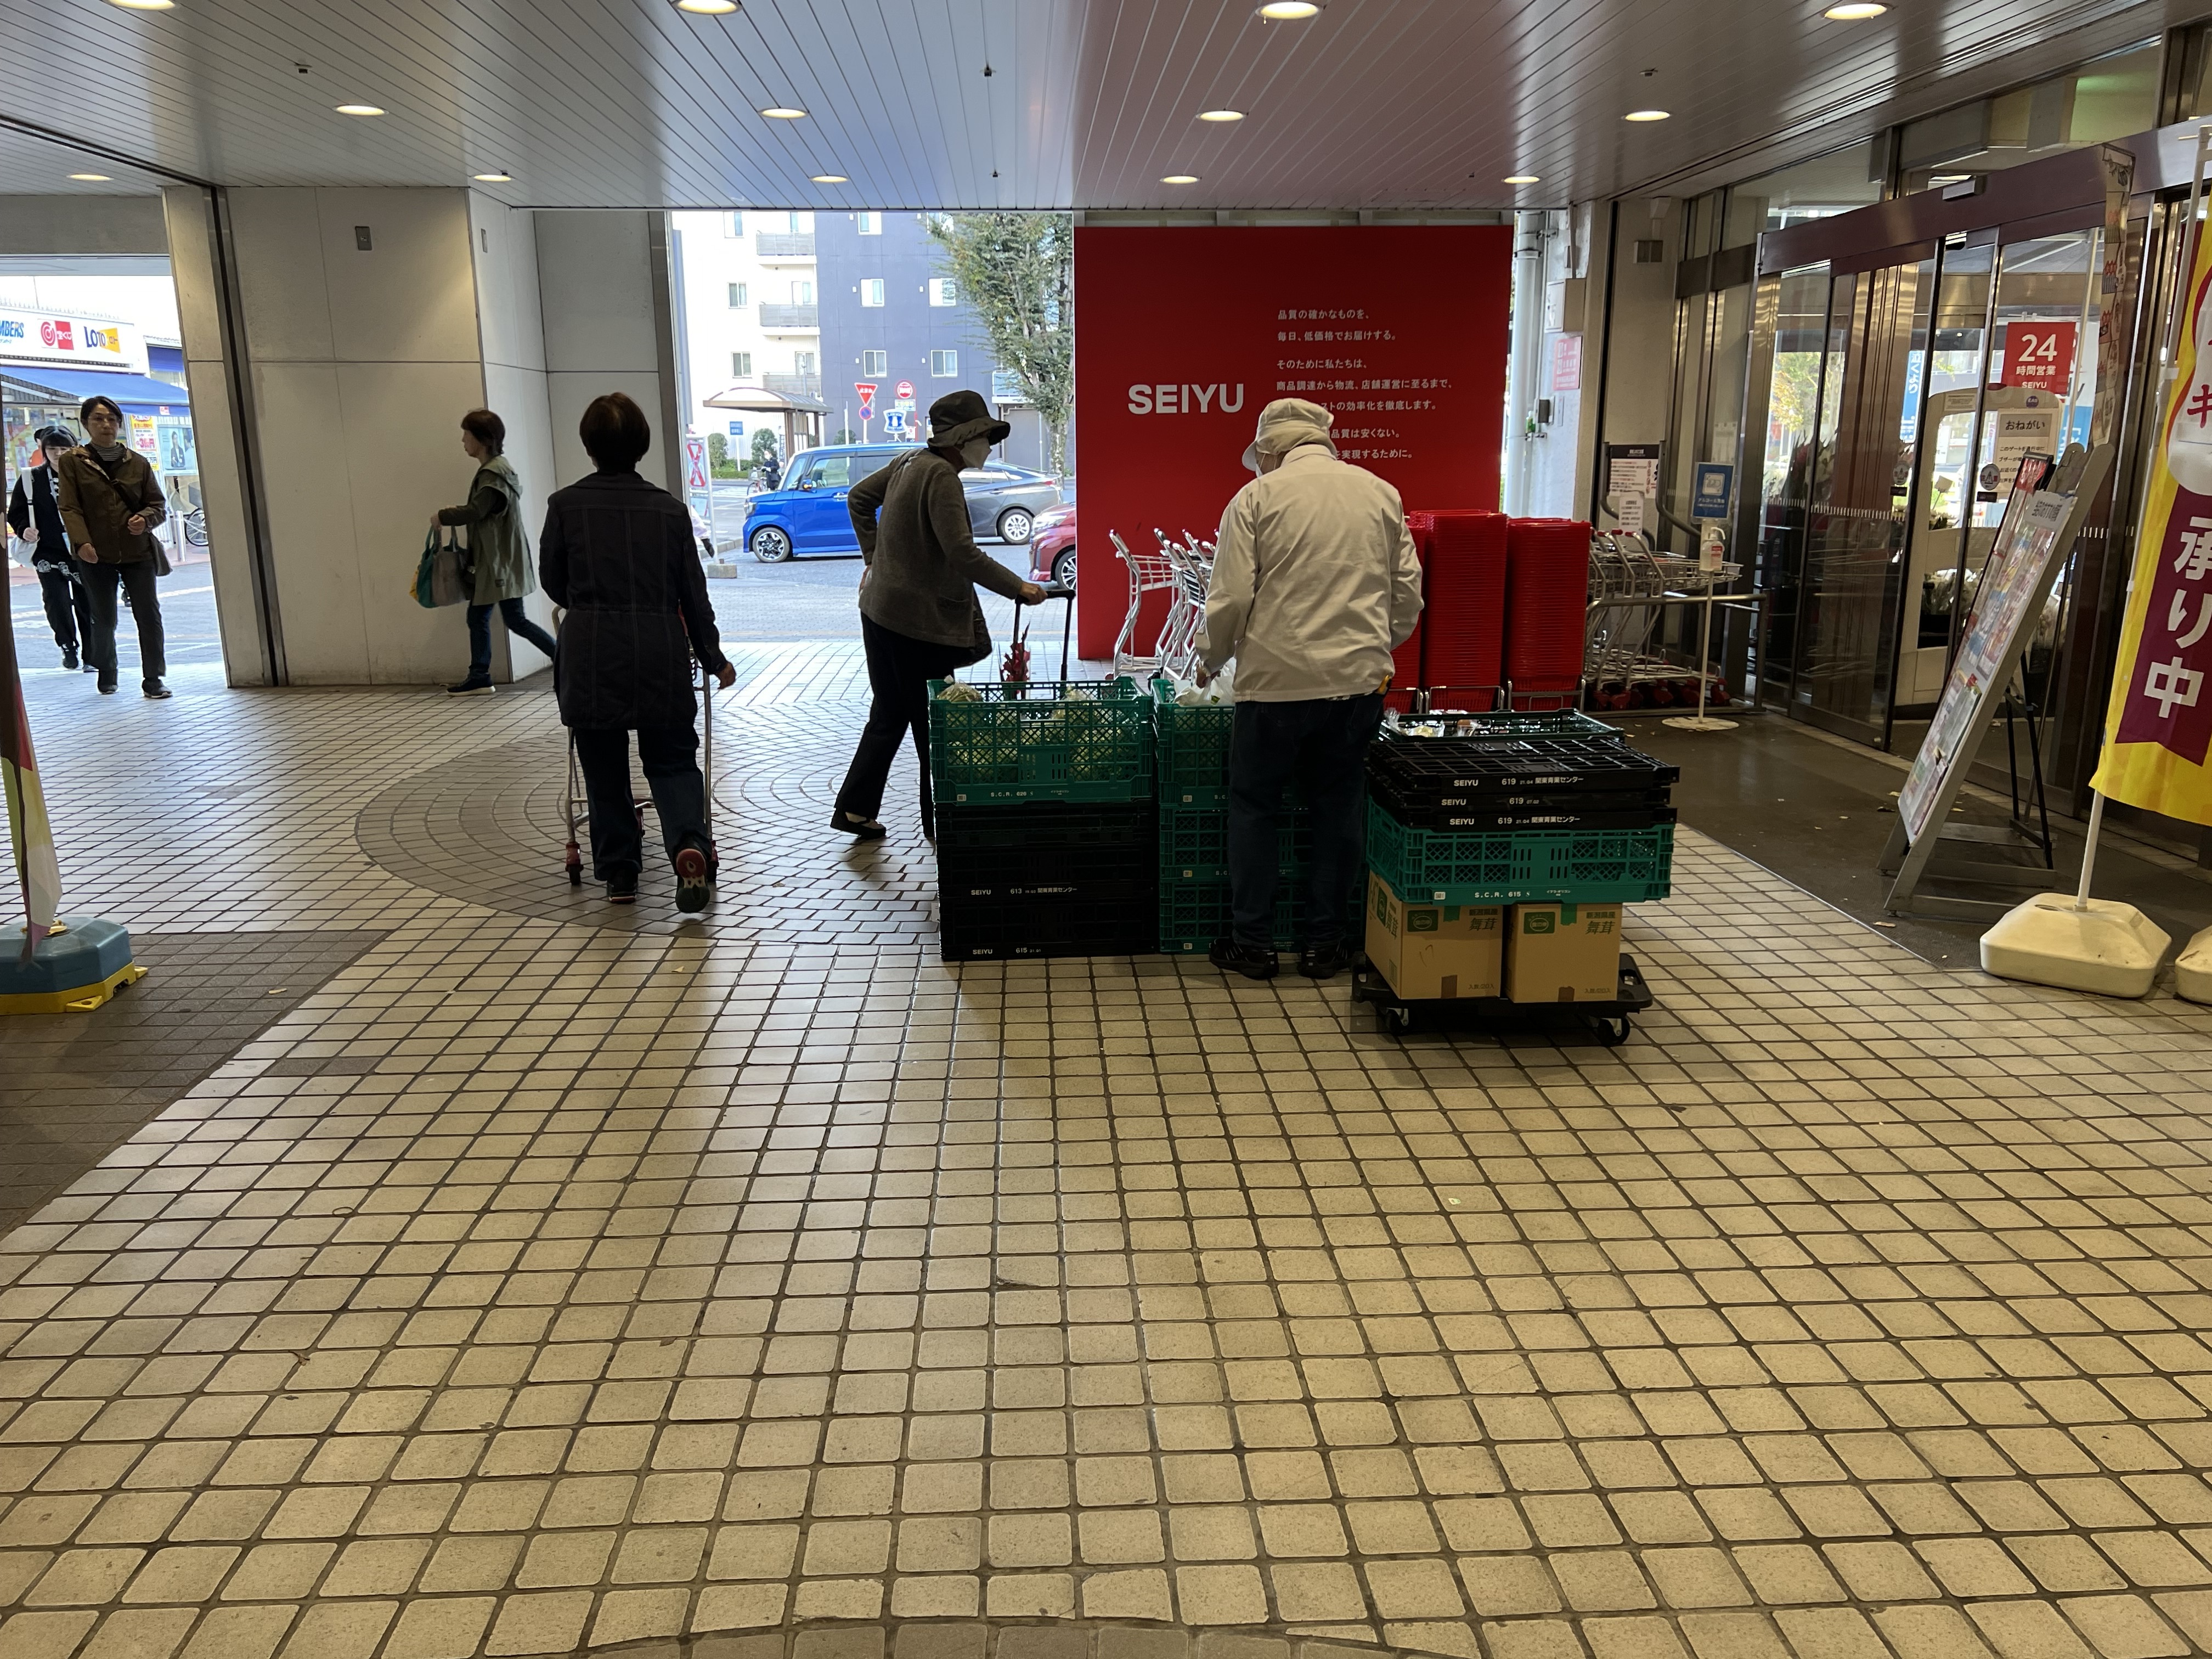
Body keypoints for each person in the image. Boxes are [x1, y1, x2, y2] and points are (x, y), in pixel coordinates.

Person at [1198, 398, 1422, 983]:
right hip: (1357, 685)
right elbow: (1407, 595)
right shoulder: (1381, 493)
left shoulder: (1256, 498)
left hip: (1274, 685)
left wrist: (1210, 658)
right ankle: (1326, 946)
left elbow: (1231, 598)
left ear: (1270, 449)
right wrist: (1372, 647)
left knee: (1255, 807)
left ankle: (1254, 944)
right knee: (1338, 805)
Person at [541, 392, 736, 911]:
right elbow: (693, 596)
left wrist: (590, 606)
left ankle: (621, 872)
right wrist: (714, 658)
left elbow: (553, 582)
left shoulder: (564, 507)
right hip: (658, 651)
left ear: (588, 445)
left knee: (603, 767)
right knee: (672, 760)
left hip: (590, 652)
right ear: (643, 446)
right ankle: (689, 844)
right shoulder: (670, 512)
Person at [833, 389, 1044, 842]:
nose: (989, 447)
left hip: (879, 610)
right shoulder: (943, 477)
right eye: (985, 437)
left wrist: (875, 559)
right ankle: (940, 822)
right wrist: (1019, 587)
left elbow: (858, 498)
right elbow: (962, 553)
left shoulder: (909, 460)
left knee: (889, 712)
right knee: (937, 724)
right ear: (962, 440)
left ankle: (854, 808)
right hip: (916, 624)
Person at [433, 407, 559, 695]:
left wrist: (443, 516)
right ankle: (480, 674)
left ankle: (562, 659)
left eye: (467, 435)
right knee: (489, 618)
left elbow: (477, 511)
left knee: (511, 620)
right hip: (499, 561)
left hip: (498, 563)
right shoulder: (498, 470)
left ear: (483, 440)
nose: (463, 441)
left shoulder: (493, 475)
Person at [54, 395, 170, 699]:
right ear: (85, 424)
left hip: (138, 551)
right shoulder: (73, 462)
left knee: (149, 616)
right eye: (98, 419)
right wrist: (82, 542)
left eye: (111, 419)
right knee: (104, 617)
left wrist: (145, 519)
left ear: (119, 424)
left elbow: (158, 505)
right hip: (95, 553)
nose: (106, 424)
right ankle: (107, 671)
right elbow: (69, 507)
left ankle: (154, 678)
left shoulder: (138, 462)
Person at [7, 428, 94, 673]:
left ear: (74, 449)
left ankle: (92, 654)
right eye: (52, 449)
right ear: (43, 451)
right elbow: (16, 512)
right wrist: (24, 529)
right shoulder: (31, 478)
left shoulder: (87, 475)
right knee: (56, 603)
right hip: (47, 551)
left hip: (83, 549)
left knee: (88, 603)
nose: (58, 454)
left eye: (65, 449)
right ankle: (68, 647)